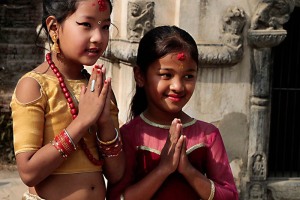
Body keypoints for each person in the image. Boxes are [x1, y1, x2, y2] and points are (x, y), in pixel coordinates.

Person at [107, 25, 238, 200]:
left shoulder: (208, 135)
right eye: (166, 75)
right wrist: (163, 169)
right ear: (140, 75)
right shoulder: (130, 135)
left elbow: (230, 196)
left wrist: (188, 171)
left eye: (188, 76)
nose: (178, 86)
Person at [10, 0, 125, 199]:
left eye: (105, 27)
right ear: (54, 28)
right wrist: (82, 122)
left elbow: (116, 174)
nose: (98, 37)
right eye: (86, 25)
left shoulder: (98, 90)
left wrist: (105, 122)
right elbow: (29, 172)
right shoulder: (34, 86)